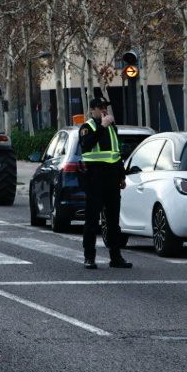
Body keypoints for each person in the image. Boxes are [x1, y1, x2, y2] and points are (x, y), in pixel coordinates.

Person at [79, 96, 131, 270]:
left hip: (111, 179)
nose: (104, 110)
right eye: (100, 107)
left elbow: (116, 154)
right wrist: (102, 126)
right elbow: (86, 146)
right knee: (92, 220)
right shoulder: (88, 127)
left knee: (113, 221)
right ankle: (89, 257)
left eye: (105, 107)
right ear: (92, 110)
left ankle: (116, 257)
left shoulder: (112, 128)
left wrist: (122, 176)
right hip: (95, 179)